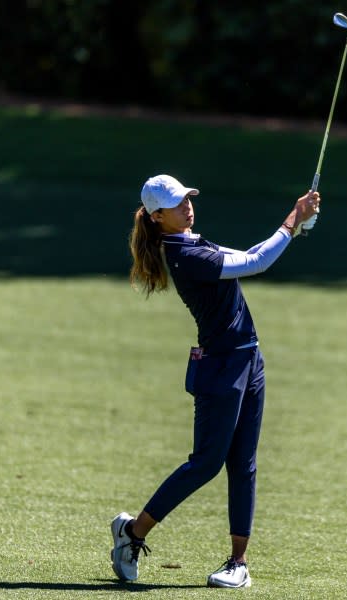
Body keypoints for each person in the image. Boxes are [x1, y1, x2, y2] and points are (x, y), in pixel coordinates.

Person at [111, 174, 320, 588]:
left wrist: (293, 226)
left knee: (243, 463)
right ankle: (132, 534)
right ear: (157, 217)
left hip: (248, 360)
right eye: (177, 204)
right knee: (206, 463)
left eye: (188, 198)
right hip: (221, 367)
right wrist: (291, 220)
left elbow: (250, 254)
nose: (187, 205)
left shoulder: (193, 242)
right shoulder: (185, 256)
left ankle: (238, 563)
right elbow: (256, 264)